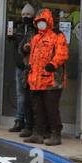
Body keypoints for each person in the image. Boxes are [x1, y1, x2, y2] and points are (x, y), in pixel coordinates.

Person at [26, 8, 69, 146]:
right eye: (38, 22)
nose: (40, 24)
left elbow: (62, 53)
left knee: (51, 108)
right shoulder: (36, 38)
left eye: (43, 21)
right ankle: (38, 133)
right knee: (37, 109)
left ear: (48, 21)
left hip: (52, 80)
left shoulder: (57, 35)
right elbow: (32, 56)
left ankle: (55, 134)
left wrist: (53, 64)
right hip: (36, 80)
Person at [10, 3, 37, 135]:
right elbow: (15, 47)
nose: (25, 17)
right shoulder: (19, 28)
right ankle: (19, 120)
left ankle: (29, 123)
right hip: (20, 66)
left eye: (28, 14)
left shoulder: (36, 29)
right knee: (20, 95)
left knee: (29, 97)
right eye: (23, 15)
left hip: (31, 67)